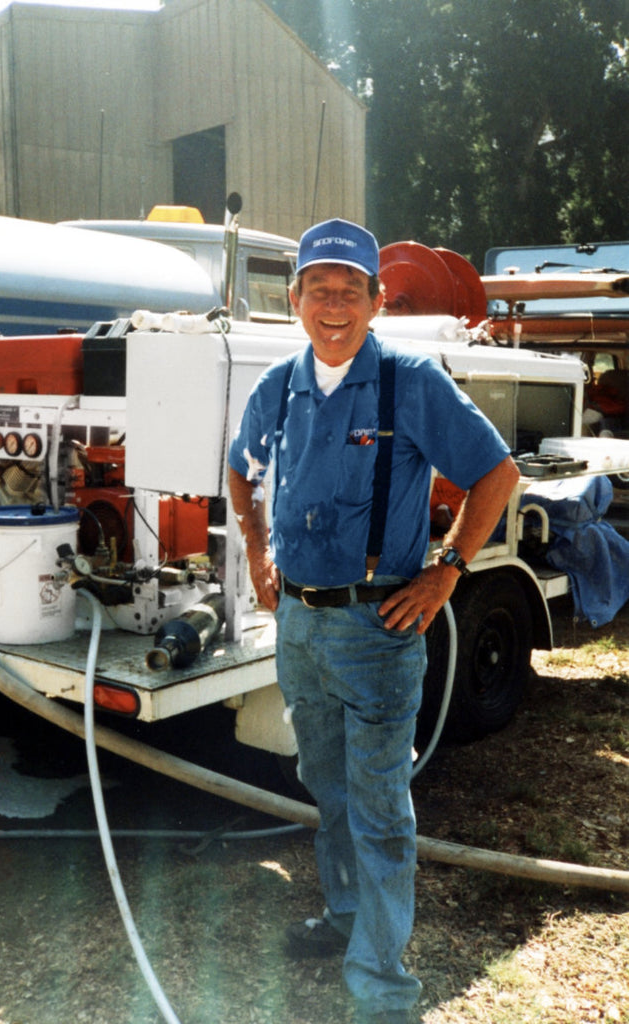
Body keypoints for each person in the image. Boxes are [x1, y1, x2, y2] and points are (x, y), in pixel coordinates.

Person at [228, 218, 519, 1024]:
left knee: (380, 805)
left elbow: (496, 474)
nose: (332, 305)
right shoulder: (277, 384)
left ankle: (382, 989)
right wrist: (255, 551)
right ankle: (346, 918)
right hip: (299, 628)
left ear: (376, 300)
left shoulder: (410, 382)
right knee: (326, 787)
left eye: (348, 291)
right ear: (292, 301)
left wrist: (445, 572)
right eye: (316, 290)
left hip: (378, 631)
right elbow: (238, 467)